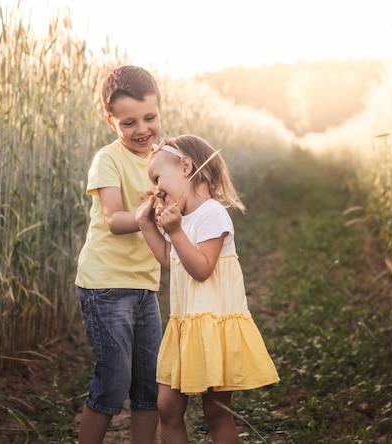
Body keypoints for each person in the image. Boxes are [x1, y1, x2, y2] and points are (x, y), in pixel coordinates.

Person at [136, 135, 280, 443]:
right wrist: (149, 225)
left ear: (186, 166)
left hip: (212, 327)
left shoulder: (213, 213)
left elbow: (201, 268)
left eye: (159, 178)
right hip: (186, 326)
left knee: (215, 412)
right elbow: (170, 260)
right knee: (167, 407)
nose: (157, 190)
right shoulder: (183, 218)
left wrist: (173, 230)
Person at [75, 65, 163, 444]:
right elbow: (114, 218)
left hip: (145, 286)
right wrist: (150, 214)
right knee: (112, 383)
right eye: (129, 122)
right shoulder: (107, 160)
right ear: (110, 121)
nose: (142, 129)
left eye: (150, 117)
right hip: (106, 286)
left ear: (160, 110)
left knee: (150, 386)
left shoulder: (165, 159)